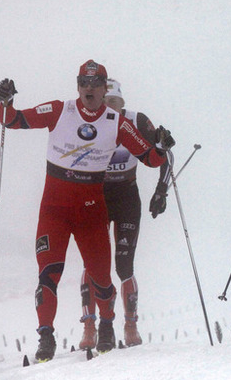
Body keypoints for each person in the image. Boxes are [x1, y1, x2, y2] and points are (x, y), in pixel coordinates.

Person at [0, 60, 175, 362]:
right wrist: (5, 101)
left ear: (105, 88)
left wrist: (159, 147)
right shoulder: (59, 110)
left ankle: (106, 325)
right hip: (54, 211)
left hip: (91, 213)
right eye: (83, 83)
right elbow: (12, 120)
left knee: (101, 277)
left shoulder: (117, 122)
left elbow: (149, 158)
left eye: (95, 83)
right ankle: (46, 336)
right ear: (77, 86)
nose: (89, 88)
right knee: (48, 273)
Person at [78, 79, 171, 350]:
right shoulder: (89, 122)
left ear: (123, 103)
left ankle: (131, 325)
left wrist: (161, 191)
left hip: (127, 197)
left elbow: (165, 154)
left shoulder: (137, 121)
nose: (110, 108)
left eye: (115, 103)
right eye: (105, 102)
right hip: (97, 198)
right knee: (93, 264)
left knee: (124, 265)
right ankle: (89, 326)